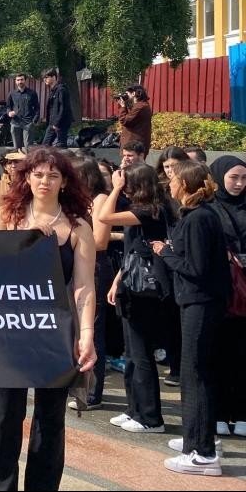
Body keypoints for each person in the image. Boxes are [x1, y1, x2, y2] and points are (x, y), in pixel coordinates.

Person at [0, 147, 97, 491]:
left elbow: (83, 287)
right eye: (38, 174)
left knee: (50, 418)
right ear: (26, 177)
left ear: (64, 182)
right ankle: (2, 486)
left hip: (55, 331)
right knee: (7, 414)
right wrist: (24, 236)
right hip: (12, 330)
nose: (44, 181)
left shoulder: (78, 227)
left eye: (53, 175)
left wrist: (87, 334)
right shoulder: (7, 215)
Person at [153, 161, 228, 476]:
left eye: (174, 179)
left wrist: (165, 252)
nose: (169, 183)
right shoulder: (199, 215)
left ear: (184, 184)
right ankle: (197, 437)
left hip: (201, 303)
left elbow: (195, 268)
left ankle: (202, 452)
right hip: (199, 303)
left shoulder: (199, 218)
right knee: (197, 373)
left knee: (194, 374)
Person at [97, 164, 174, 434]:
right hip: (132, 282)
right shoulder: (146, 208)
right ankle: (135, 409)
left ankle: (151, 417)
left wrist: (115, 187)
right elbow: (134, 250)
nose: (123, 184)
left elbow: (104, 217)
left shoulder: (150, 210)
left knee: (140, 353)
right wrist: (117, 279)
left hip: (145, 290)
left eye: (127, 181)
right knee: (132, 352)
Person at [70, 156, 113, 412]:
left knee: (93, 328)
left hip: (96, 267)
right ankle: (78, 385)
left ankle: (93, 391)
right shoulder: (79, 201)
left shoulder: (99, 200)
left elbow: (100, 241)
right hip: (82, 266)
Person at [207, 156, 246, 439]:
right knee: (218, 355)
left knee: (243, 357)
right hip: (220, 291)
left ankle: (242, 415)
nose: (239, 184)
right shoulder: (210, 208)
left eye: (243, 178)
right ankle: (219, 413)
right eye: (233, 177)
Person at [4, 74, 39, 151]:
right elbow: (8, 106)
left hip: (28, 123)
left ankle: (29, 163)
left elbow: (37, 108)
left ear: (25, 80)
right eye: (18, 80)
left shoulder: (32, 93)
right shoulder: (12, 93)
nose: (20, 81)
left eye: (22, 79)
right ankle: (17, 163)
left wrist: (34, 121)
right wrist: (9, 112)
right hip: (15, 122)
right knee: (16, 148)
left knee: (28, 148)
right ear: (15, 81)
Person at [41, 68, 73, 149]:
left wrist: (57, 123)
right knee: (45, 146)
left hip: (61, 123)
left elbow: (64, 108)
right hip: (52, 123)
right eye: (44, 78)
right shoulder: (53, 90)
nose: (45, 79)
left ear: (54, 77)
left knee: (61, 146)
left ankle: (64, 161)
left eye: (47, 77)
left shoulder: (61, 90)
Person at [117, 85, 153, 154]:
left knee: (131, 165)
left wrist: (123, 107)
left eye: (127, 94)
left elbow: (124, 121)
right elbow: (131, 119)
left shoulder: (140, 107)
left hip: (134, 147)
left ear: (133, 94)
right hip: (134, 146)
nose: (126, 96)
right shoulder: (141, 105)